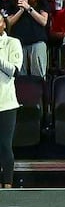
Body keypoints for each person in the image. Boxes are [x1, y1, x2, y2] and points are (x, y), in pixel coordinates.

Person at [0, 16, 20, 187]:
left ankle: (7, 183)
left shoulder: (12, 43)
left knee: (5, 145)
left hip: (6, 103)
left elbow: (13, 70)